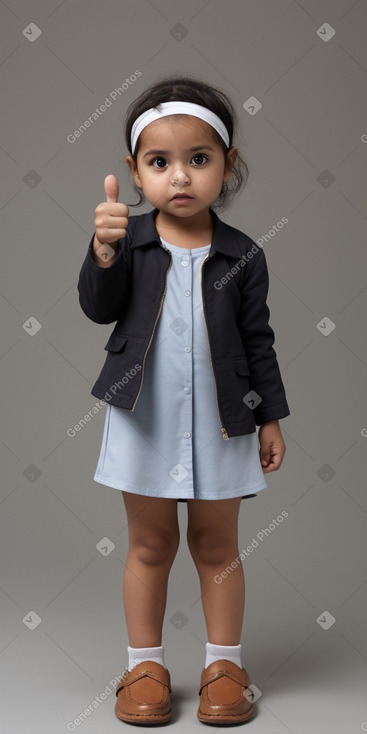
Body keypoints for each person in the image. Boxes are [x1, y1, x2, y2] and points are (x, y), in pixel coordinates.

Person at [77, 74, 290, 726]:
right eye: (159, 162)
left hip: (224, 422)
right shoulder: (130, 245)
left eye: (198, 159)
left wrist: (269, 415)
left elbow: (257, 341)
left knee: (217, 544)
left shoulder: (242, 254)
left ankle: (223, 666)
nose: (180, 177)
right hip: (142, 417)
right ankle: (145, 665)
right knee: (147, 544)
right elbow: (97, 308)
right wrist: (104, 252)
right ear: (134, 172)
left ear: (226, 167)